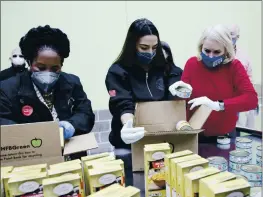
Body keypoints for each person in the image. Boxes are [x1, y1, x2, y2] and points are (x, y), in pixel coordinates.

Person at [0, 25, 95, 145]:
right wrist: (38, 134)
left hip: (70, 154)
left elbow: (85, 113)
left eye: (55, 68)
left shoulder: (72, 83)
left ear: (61, 65)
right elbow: (4, 124)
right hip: (32, 155)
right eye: (41, 67)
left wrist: (71, 125)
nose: (48, 73)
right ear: (29, 62)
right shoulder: (7, 89)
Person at [105, 18, 189, 149]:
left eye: (155, 47)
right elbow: (123, 104)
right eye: (144, 48)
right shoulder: (117, 72)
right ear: (133, 45)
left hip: (161, 136)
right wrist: (128, 124)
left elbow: (174, 73)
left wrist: (176, 86)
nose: (150, 53)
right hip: (130, 140)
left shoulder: (162, 65)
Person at [180, 24, 258, 140]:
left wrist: (218, 105)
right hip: (195, 136)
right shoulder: (192, 64)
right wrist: (178, 92)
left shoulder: (234, 67)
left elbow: (251, 99)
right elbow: (182, 102)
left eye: (217, 52)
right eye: (206, 51)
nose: (211, 56)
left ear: (226, 51)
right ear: (201, 47)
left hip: (224, 137)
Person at [228, 24, 258, 129]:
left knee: (242, 129)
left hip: (240, 99)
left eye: (231, 35)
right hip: (225, 100)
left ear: (237, 37)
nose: (229, 37)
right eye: (226, 34)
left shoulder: (244, 57)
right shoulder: (218, 53)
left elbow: (250, 79)